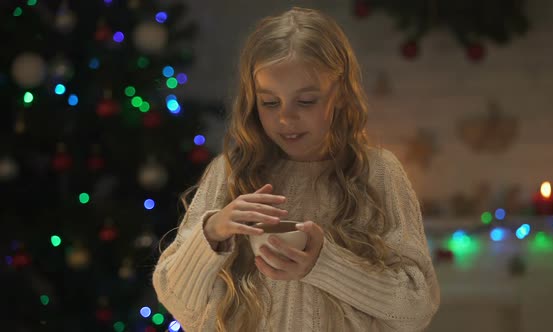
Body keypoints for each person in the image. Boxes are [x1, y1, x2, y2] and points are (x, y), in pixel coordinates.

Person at [152, 6, 439, 331]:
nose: (286, 119)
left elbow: (416, 307)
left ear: (341, 94)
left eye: (305, 102)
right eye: (270, 103)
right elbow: (175, 298)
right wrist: (213, 232)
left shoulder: (378, 172)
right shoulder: (231, 172)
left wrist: (324, 265)